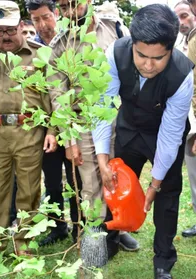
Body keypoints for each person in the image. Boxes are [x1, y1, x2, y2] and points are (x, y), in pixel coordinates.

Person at [92, 4, 193, 278]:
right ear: (132, 44)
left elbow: (170, 135)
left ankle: (163, 261)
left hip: (164, 132)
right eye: (141, 55)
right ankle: (109, 242)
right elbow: (103, 108)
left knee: (167, 198)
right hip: (129, 128)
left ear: (171, 49)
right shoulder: (114, 53)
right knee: (114, 185)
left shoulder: (183, 75)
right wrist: (102, 160)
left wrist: (155, 183)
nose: (148, 65)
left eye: (158, 58)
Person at [48, 0, 138, 251]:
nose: (68, 11)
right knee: (91, 183)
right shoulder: (60, 45)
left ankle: (120, 229)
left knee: (120, 175)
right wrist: (70, 140)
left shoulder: (116, 29)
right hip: (83, 121)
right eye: (63, 7)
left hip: (118, 116)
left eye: (72, 4)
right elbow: (58, 95)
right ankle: (101, 238)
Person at [0, 0, 57, 256]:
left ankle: (24, 243)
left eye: (10, 30)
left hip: (29, 131)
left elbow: (54, 97)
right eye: (0, 31)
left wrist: (52, 130)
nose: (5, 36)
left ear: (22, 27)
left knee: (29, 190)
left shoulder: (40, 55)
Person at [26, 0, 84, 246]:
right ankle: (57, 227)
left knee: (77, 181)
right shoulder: (31, 49)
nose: (42, 24)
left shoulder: (70, 41)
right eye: (36, 19)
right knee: (51, 181)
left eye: (46, 17)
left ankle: (78, 227)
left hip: (73, 124)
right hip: (45, 130)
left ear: (56, 14)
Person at [174, 0, 196, 238]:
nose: (182, 21)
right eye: (177, 17)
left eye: (185, 15)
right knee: (193, 174)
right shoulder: (181, 42)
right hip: (187, 121)